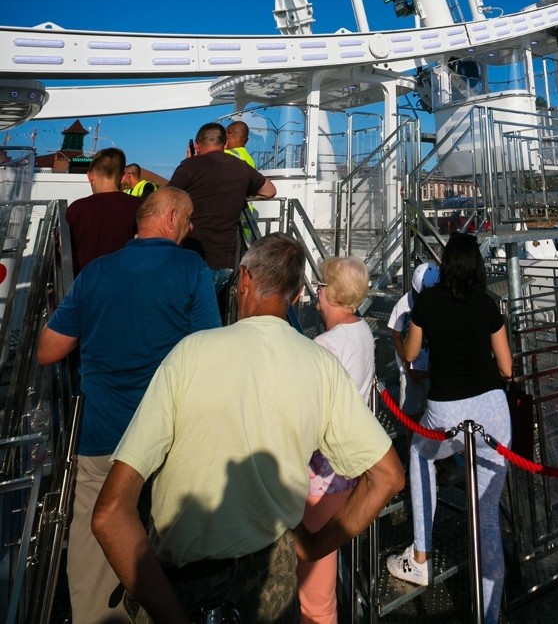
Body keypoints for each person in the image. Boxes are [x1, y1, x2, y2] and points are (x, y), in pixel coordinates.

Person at [92, 233, 403, 624]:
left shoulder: (190, 353)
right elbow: (388, 476)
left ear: (243, 280)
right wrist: (313, 546)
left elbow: (108, 514)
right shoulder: (320, 366)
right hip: (272, 590)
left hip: (185, 587)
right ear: (294, 298)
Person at [37, 187, 220, 624]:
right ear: (172, 218)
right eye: (190, 219)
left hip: (99, 434)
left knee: (94, 544)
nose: (191, 228)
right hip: (164, 441)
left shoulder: (95, 273)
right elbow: (208, 351)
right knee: (162, 547)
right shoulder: (191, 267)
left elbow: (47, 349)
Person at [386, 233, 512, 624]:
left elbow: (410, 353)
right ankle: (490, 611)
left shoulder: (429, 302)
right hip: (492, 409)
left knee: (420, 455)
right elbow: (506, 367)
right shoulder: (488, 304)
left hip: (445, 410)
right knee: (486, 511)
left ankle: (421, 553)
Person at [297, 256, 374, 624]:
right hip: (348, 468)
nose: (318, 291)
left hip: (321, 477)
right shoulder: (363, 331)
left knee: (314, 587)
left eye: (323, 285)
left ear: (335, 293)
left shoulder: (326, 345)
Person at [169, 121, 276, 291]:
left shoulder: (190, 166)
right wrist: (243, 191)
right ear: (225, 143)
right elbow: (270, 191)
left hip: (193, 258)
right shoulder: (241, 167)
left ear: (196, 145)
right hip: (226, 262)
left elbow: (165, 198)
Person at [66, 146, 140, 275]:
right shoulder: (138, 207)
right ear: (123, 176)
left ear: (90, 176)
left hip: (84, 284)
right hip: (125, 285)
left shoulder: (77, 209)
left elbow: (63, 251)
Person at [388, 261, 440, 419]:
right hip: (409, 369)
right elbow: (396, 335)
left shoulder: (439, 304)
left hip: (433, 368)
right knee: (411, 417)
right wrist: (408, 367)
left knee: (432, 416)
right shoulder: (403, 305)